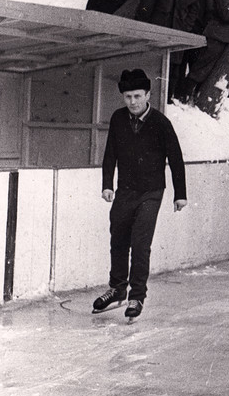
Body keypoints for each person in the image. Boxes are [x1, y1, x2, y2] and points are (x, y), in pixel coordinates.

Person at [93, 69, 187, 320]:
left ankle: (137, 296)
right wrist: (107, 184)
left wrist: (181, 194)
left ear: (148, 95)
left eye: (137, 96)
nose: (132, 102)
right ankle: (117, 289)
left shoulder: (160, 122)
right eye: (127, 97)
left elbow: (176, 159)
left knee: (141, 243)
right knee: (118, 239)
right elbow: (110, 153)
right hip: (125, 190)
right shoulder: (118, 118)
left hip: (151, 191)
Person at [172, 0, 211, 102]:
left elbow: (194, 14)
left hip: (181, 30)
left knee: (177, 67)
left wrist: (184, 28)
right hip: (167, 25)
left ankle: (172, 98)